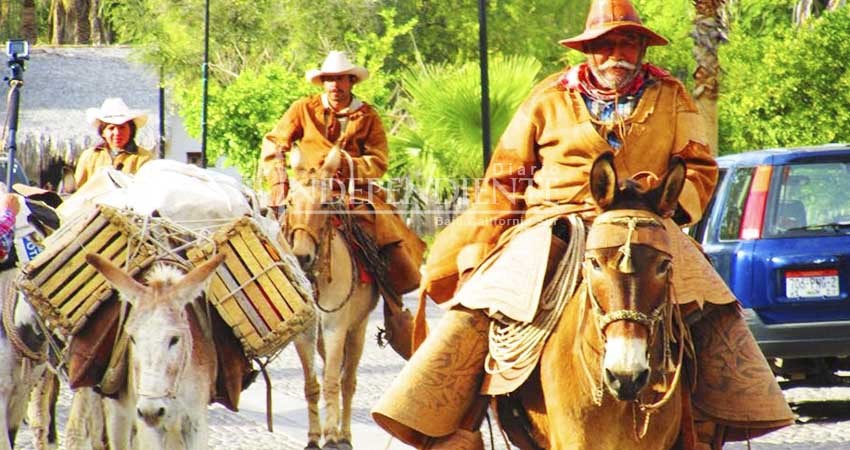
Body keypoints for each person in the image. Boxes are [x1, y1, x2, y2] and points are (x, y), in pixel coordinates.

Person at [372, 1, 794, 449]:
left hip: (647, 218)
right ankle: (454, 423)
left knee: (708, 298)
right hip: (556, 222)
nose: (617, 53)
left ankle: (712, 421)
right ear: (588, 50)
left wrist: (670, 204)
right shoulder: (549, 96)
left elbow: (700, 167)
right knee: (487, 300)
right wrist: (480, 241)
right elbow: (507, 175)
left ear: (641, 47)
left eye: (627, 43)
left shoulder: (670, 95)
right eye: (604, 44)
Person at [259, 51, 426, 343]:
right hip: (307, 187)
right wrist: (279, 181)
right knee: (269, 234)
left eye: (340, 79)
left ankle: (392, 303)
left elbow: (379, 161)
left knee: (383, 231)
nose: (335, 85)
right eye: (329, 80)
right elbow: (275, 142)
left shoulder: (368, 116)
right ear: (322, 83)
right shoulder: (302, 109)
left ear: (351, 82)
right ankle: (264, 303)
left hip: (352, 191)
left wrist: (347, 164)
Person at [72, 97, 155, 190]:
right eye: (111, 128)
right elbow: (77, 191)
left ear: (131, 130)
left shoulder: (144, 158)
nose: (117, 133)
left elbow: (148, 192)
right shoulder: (89, 156)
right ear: (103, 132)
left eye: (122, 128)